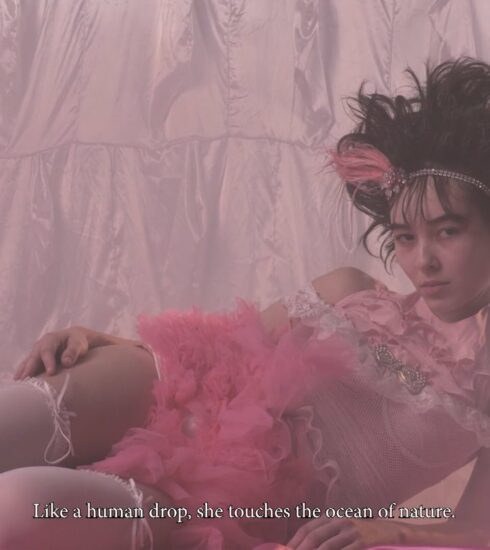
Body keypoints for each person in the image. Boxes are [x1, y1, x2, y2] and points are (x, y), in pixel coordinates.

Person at [0, 57, 489, 550]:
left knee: (17, 507)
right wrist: (99, 338)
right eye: (405, 237)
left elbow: (478, 527)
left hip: (232, 502)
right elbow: (219, 345)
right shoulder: (351, 289)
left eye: (448, 231)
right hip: (160, 390)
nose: (423, 260)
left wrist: (387, 528)